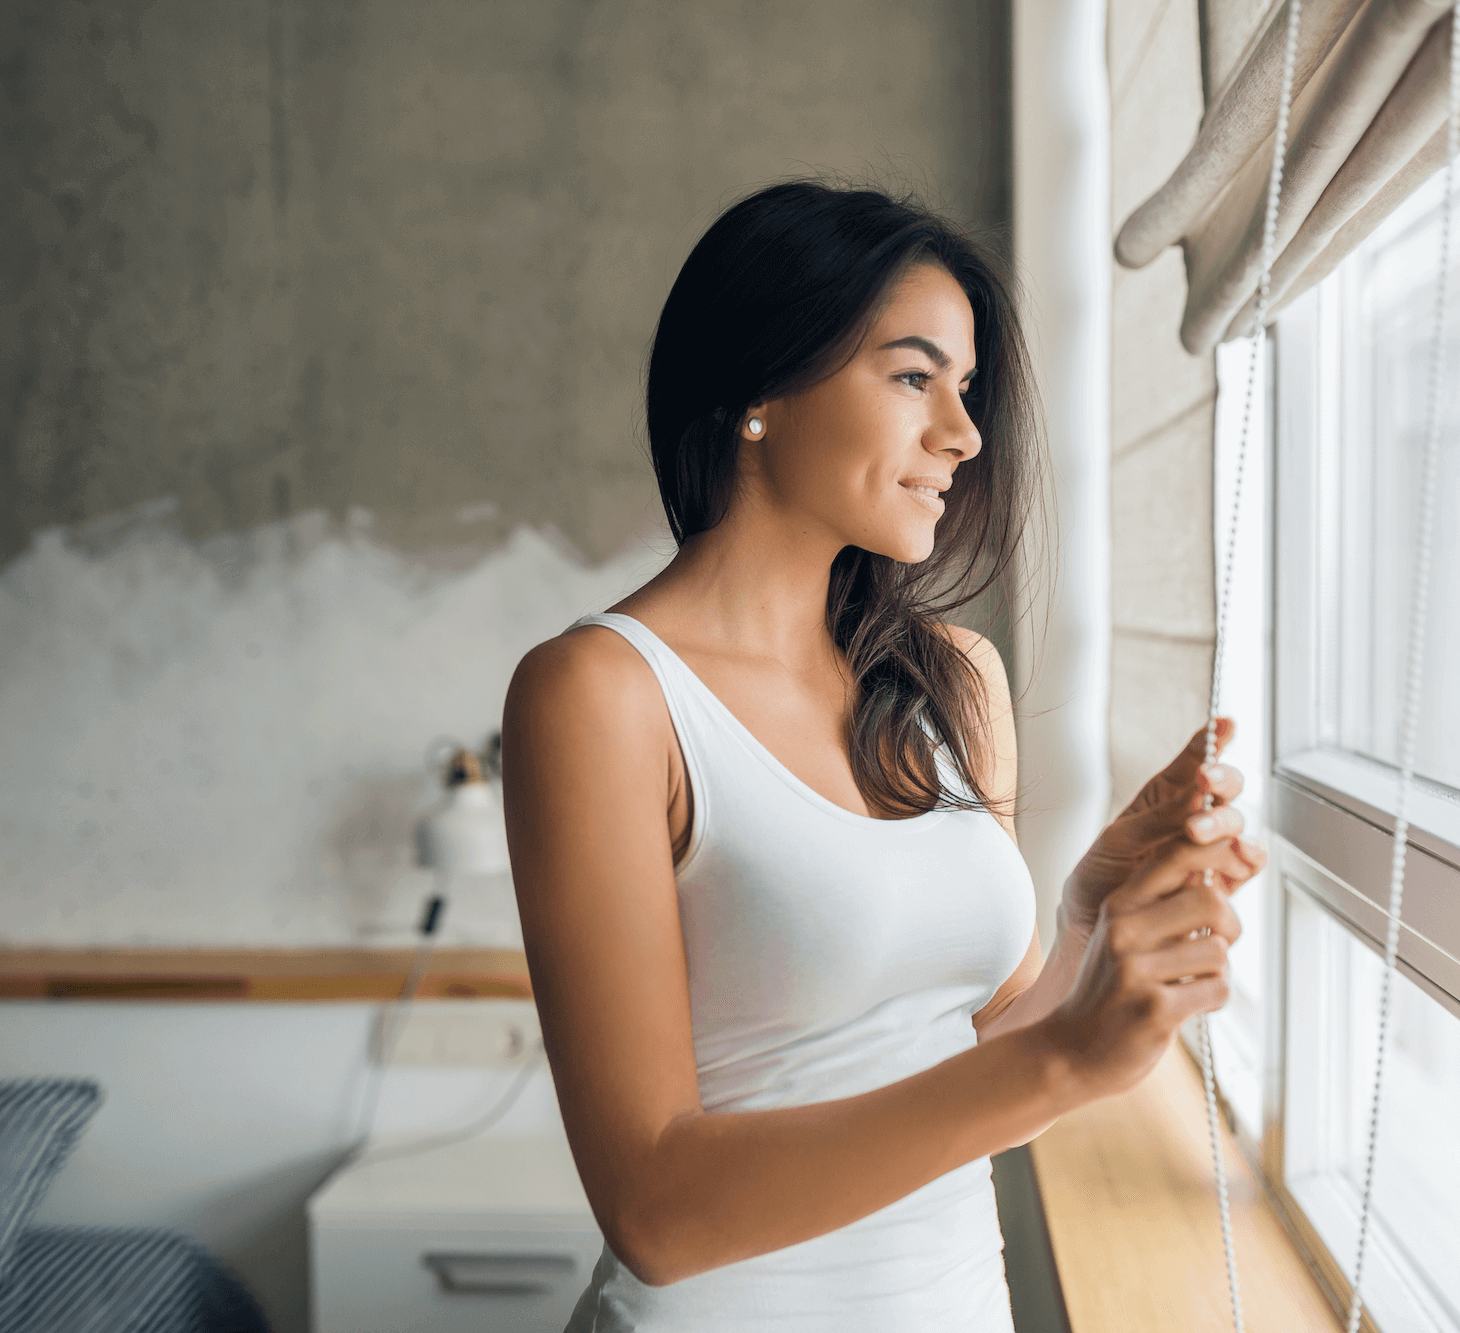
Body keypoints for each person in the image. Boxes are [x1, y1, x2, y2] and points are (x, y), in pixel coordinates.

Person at [502, 180, 1266, 1332]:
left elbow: (967, 1061)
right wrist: (1062, 1056)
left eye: (964, 389)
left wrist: (1082, 929)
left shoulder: (954, 682)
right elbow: (653, 1211)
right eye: (913, 376)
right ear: (761, 385)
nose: (961, 434)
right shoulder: (601, 696)